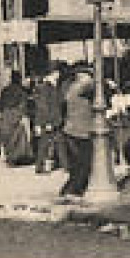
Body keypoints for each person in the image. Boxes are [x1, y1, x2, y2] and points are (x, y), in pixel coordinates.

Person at [58, 66, 96, 199]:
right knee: (84, 163)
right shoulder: (81, 87)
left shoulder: (70, 88)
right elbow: (96, 88)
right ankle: (73, 191)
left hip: (71, 129)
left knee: (77, 163)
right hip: (80, 131)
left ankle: (68, 190)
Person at [33, 63, 65, 175]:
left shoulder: (53, 86)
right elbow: (43, 106)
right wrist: (47, 122)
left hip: (55, 119)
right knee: (44, 144)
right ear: (53, 73)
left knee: (60, 142)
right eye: (57, 72)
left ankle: (66, 166)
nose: (59, 74)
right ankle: (39, 167)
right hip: (49, 121)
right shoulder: (45, 87)